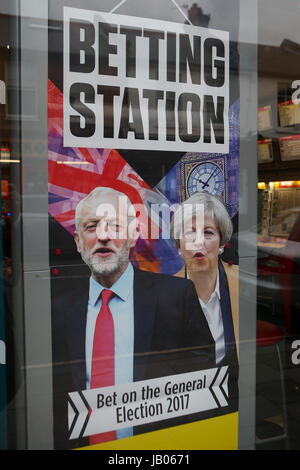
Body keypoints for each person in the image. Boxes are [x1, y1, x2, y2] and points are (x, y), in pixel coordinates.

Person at [51, 186, 215, 449]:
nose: (103, 236)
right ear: (78, 241)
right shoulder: (57, 310)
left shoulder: (176, 297)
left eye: (115, 226)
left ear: (134, 234)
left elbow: (200, 382)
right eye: (91, 227)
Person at [171, 192, 239, 411]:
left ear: (221, 244)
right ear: (179, 247)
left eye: (208, 232)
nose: (199, 241)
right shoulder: (164, 294)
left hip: (233, 398)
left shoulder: (241, 285)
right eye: (190, 233)